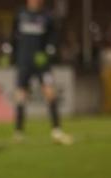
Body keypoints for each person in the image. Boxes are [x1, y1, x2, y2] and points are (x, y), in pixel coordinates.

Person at [11, 0, 73, 145]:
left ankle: (56, 130)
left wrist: (48, 53)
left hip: (42, 63)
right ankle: (18, 131)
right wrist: (13, 54)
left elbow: (53, 38)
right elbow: (14, 36)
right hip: (24, 62)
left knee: (50, 93)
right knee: (20, 95)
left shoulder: (47, 16)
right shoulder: (20, 14)